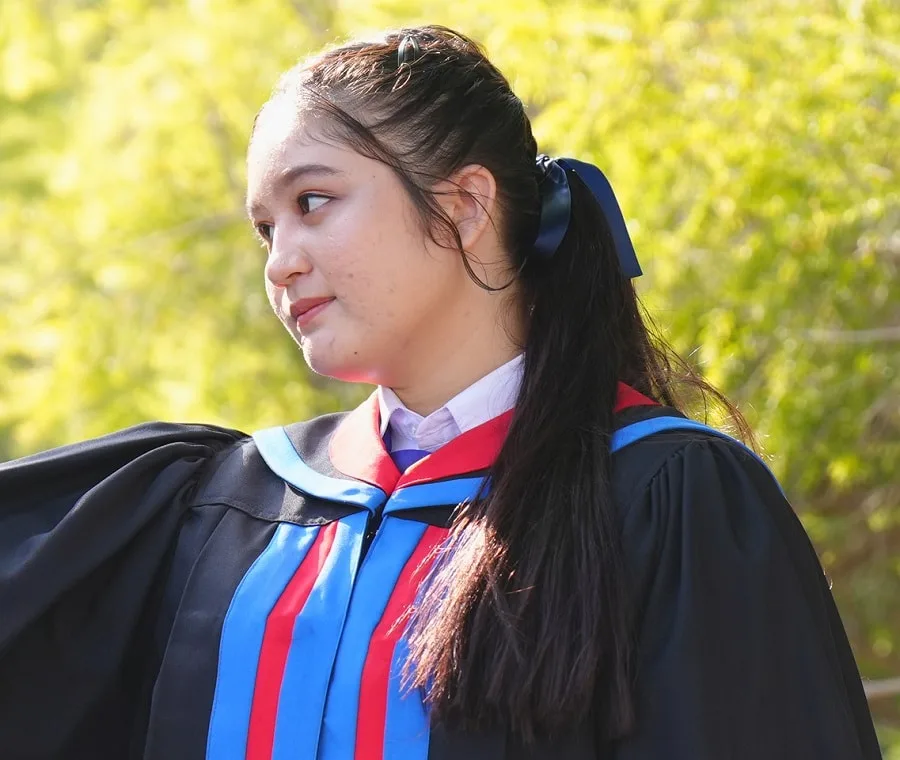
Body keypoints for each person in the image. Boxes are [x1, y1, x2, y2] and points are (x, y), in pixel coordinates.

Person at [0, 24, 881, 760]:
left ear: (464, 203)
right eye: (265, 228)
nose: (280, 262)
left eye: (314, 201)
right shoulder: (223, 506)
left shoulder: (662, 498)